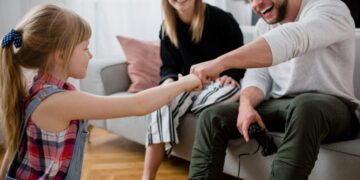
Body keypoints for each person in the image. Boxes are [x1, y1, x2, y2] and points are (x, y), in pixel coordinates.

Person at [0, 4, 202, 180]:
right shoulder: (58, 101)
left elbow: (13, 151)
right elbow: (138, 105)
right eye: (85, 48)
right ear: (60, 56)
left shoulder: (34, 87)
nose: (91, 54)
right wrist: (184, 83)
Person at [189, 0, 360, 179]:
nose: (257, 4)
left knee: (306, 106)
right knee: (213, 116)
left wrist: (220, 62)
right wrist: (245, 106)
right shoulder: (264, 26)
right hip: (283, 105)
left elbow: (293, 39)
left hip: (334, 108)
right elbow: (258, 77)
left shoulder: (330, 7)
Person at [142, 0, 246, 179]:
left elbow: (241, 56)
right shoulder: (167, 27)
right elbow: (168, 67)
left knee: (228, 90)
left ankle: (178, 111)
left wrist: (232, 75)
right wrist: (168, 84)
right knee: (160, 104)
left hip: (220, 85)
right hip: (188, 85)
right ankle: (147, 177)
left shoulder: (222, 19)